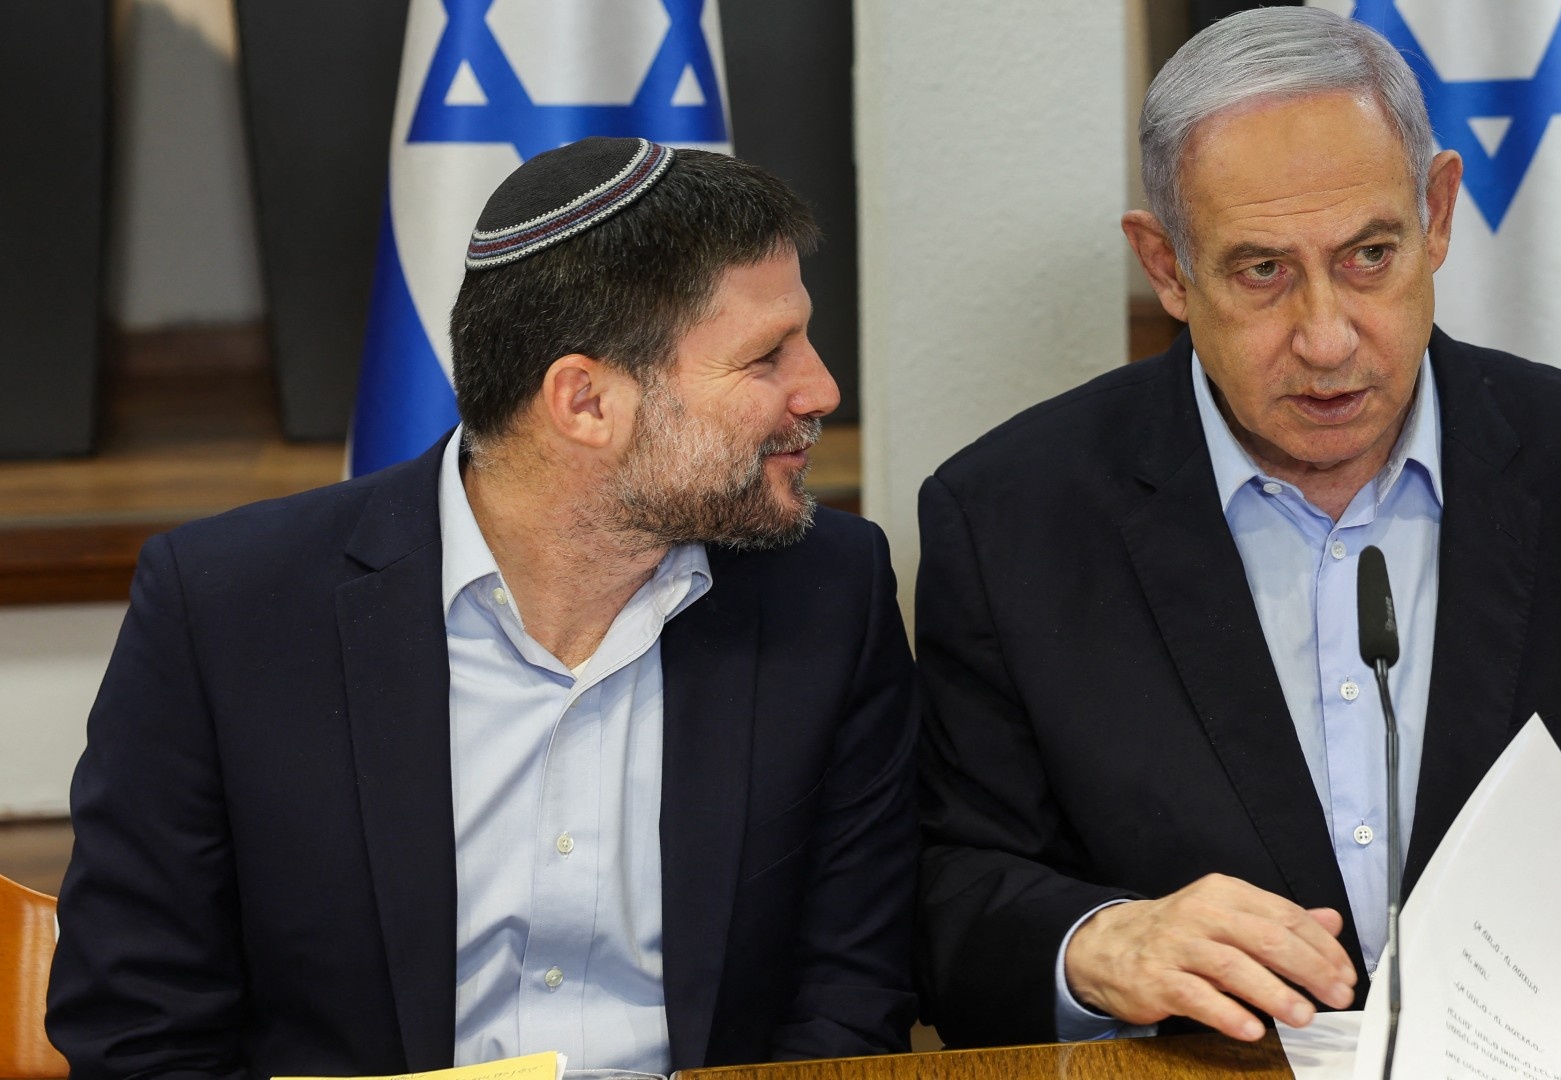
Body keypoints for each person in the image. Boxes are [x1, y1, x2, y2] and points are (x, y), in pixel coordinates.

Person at [914, 7, 1561, 1049]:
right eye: (1262, 272)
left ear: (1436, 213)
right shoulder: (1010, 520)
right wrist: (1102, 945)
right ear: (1167, 267)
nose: (1329, 337)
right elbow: (949, 893)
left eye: (1370, 255)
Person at [48, 137, 918, 1077]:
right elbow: (137, 1026)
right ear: (583, 401)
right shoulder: (228, 609)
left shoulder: (830, 591)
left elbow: (852, 993)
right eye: (765, 358)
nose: (820, 389)